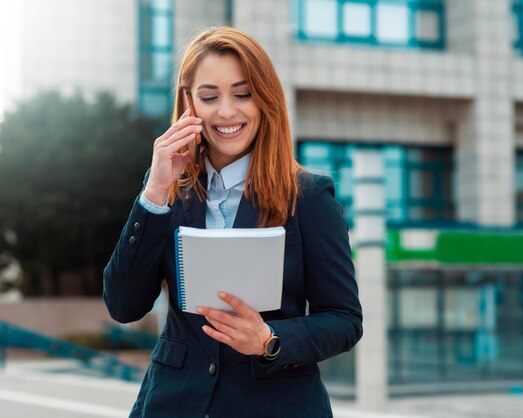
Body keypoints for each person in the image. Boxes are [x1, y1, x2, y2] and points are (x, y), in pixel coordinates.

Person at [103, 26, 362, 418]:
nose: (226, 111)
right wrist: (154, 193)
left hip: (275, 406)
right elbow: (123, 305)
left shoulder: (309, 198)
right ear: (189, 101)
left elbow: (344, 320)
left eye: (243, 94)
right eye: (209, 96)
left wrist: (269, 339)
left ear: (265, 100)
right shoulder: (168, 188)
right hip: (174, 403)